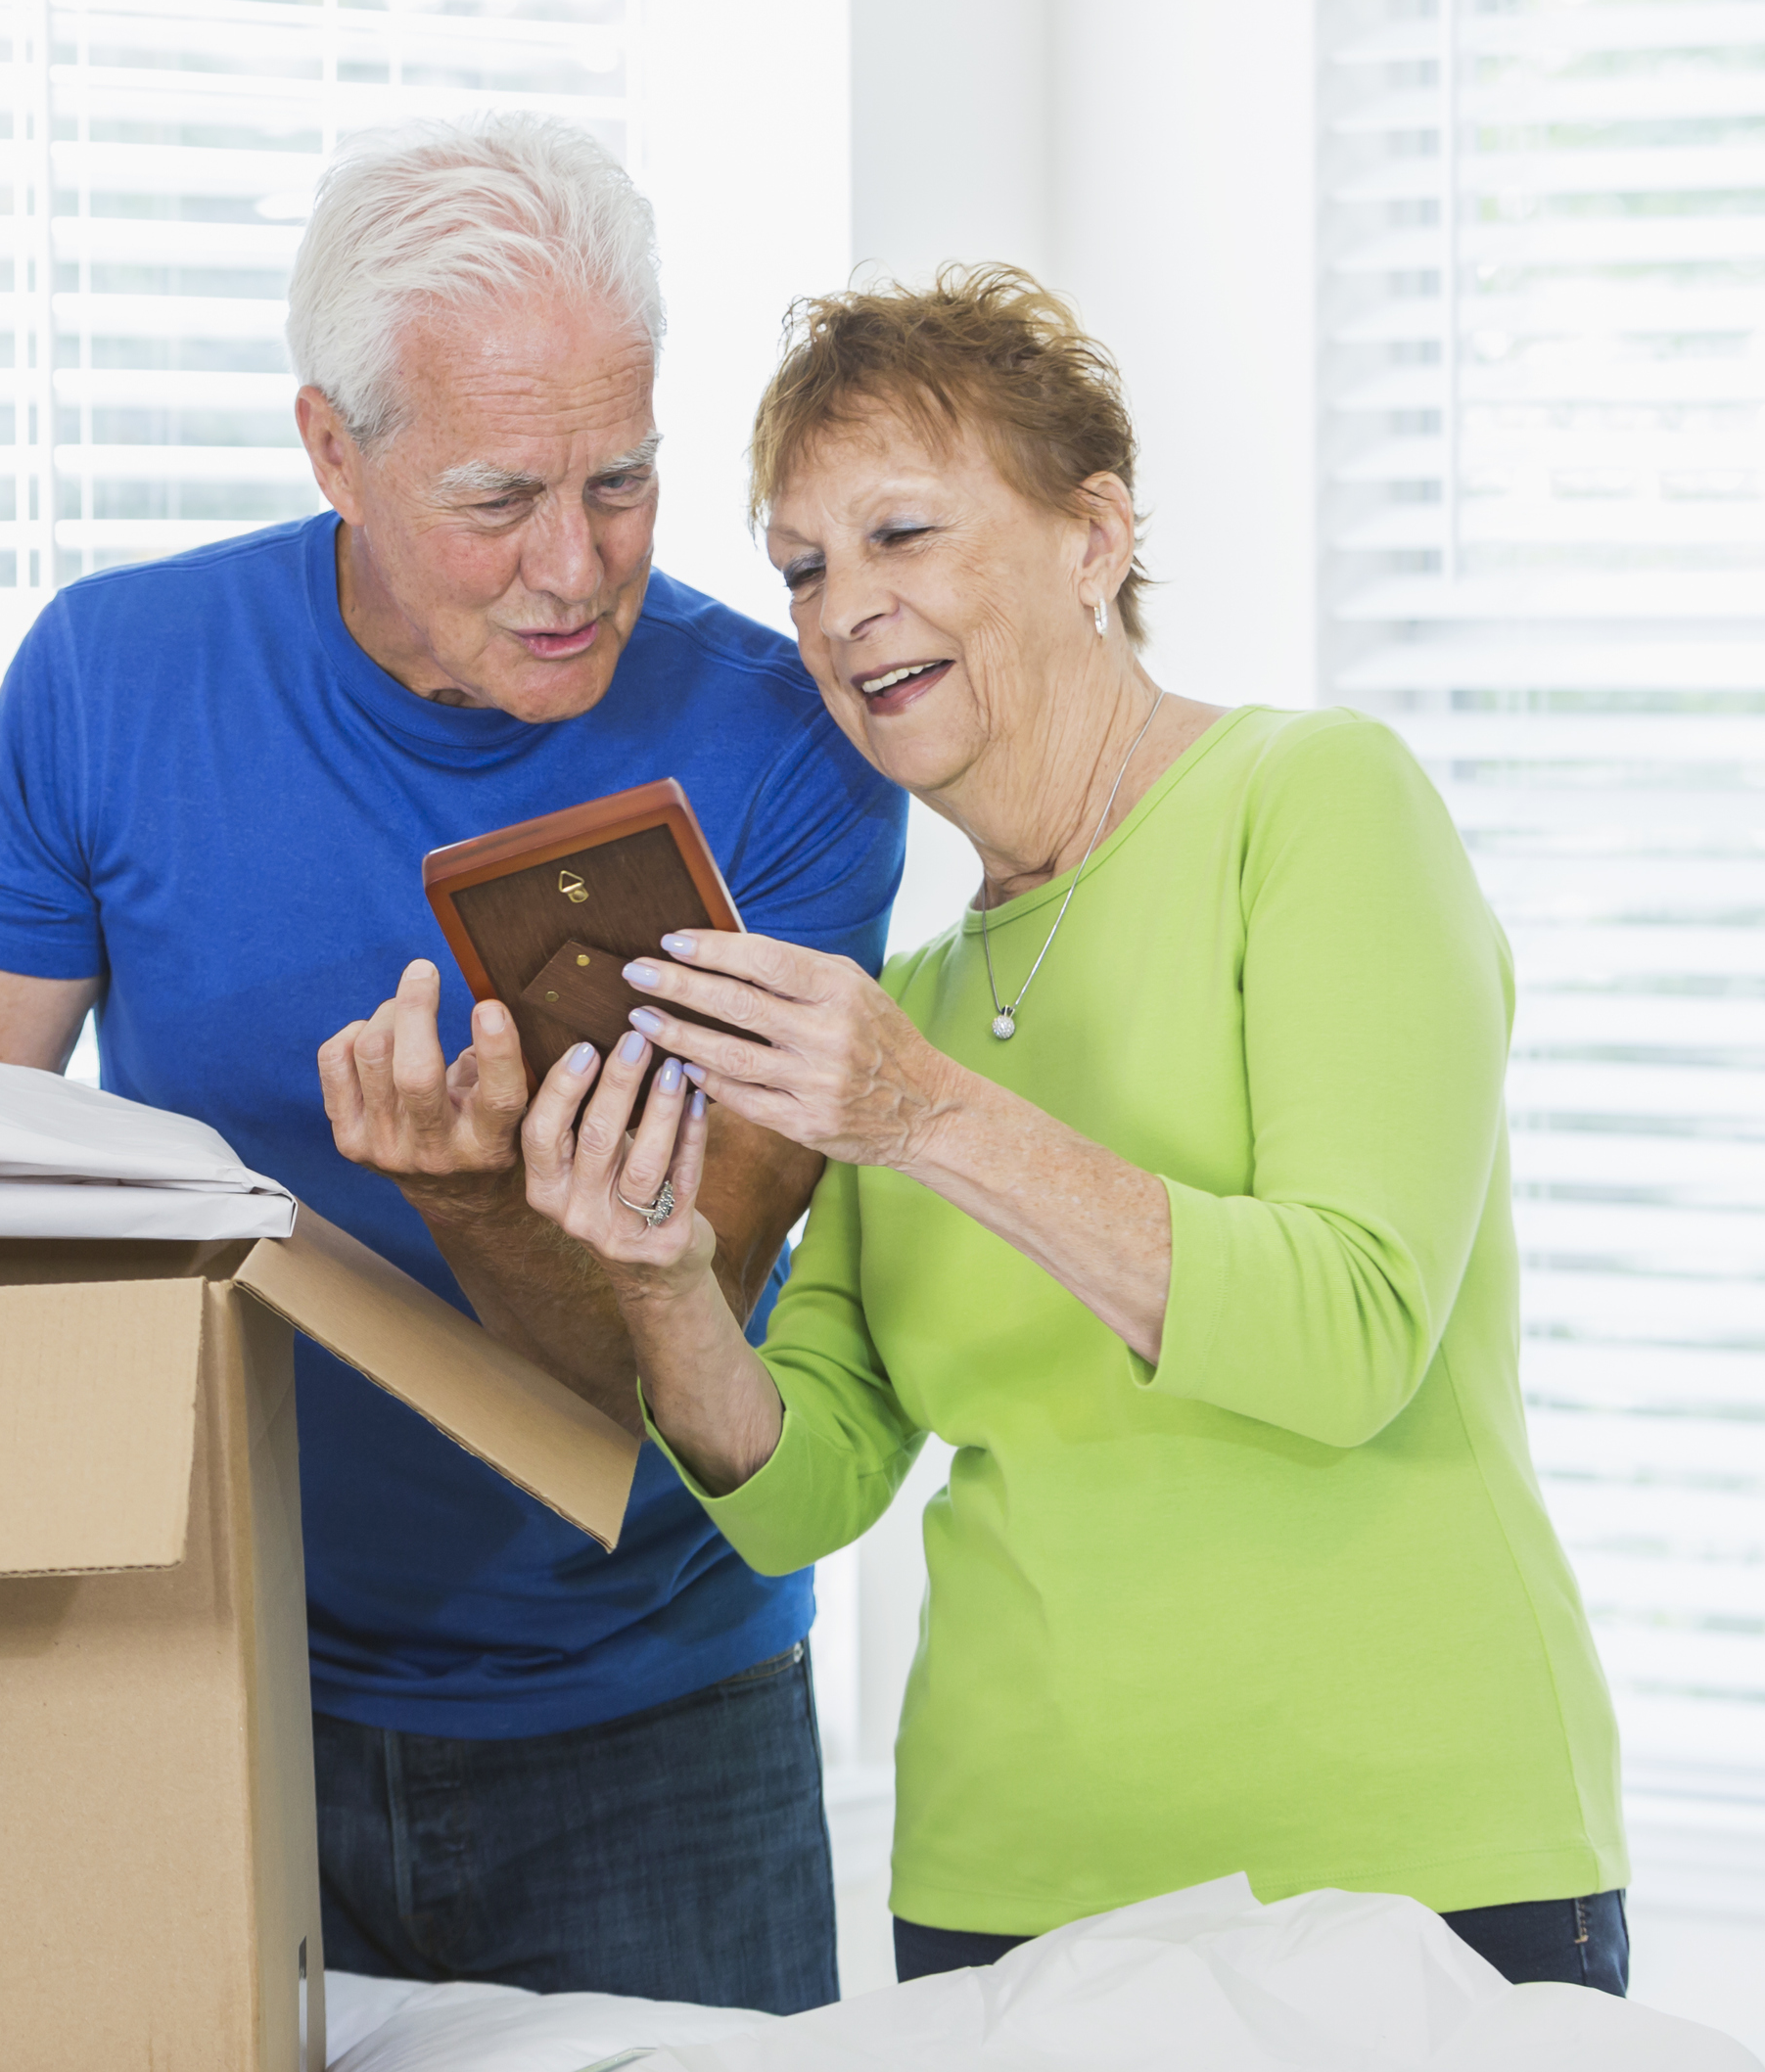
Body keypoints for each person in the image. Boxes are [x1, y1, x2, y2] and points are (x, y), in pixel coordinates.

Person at [0, 115, 903, 2012]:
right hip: (212, 1682)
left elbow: (689, 1336)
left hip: (650, 1726)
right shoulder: (111, 676)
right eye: (500, 498)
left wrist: (470, 1197)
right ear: (333, 446)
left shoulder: (780, 747)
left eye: (623, 481)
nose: (577, 565)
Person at [524, 266, 1634, 1995]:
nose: (842, 612)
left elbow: (1350, 1337)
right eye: (804, 568)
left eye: (905, 534)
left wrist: (927, 1116)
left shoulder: (1315, 803)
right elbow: (806, 1485)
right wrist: (663, 1283)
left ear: (1092, 536)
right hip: (1006, 1900)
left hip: (1407, 1876)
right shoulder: (904, 996)